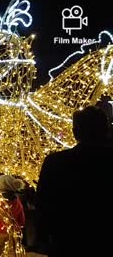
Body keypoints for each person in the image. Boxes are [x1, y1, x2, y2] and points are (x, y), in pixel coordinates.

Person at [36, 106, 112, 256]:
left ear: (75, 132)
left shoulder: (55, 162)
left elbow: (43, 204)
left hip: (66, 242)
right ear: (106, 129)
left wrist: (44, 239)